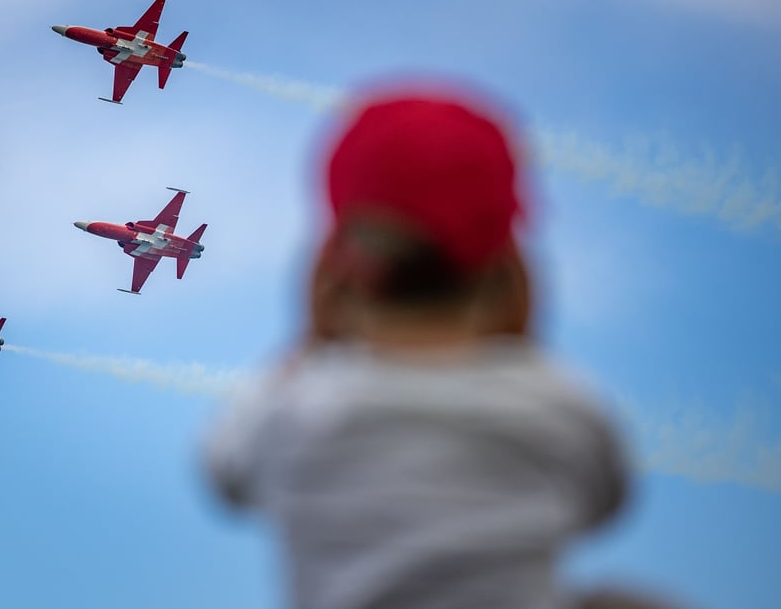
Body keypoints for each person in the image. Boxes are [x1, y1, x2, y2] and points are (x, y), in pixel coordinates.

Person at [204, 89, 633, 609]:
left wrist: (311, 342)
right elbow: (608, 501)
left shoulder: (287, 414)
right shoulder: (562, 408)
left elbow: (222, 473)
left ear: (333, 262)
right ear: (510, 266)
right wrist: (520, 344)